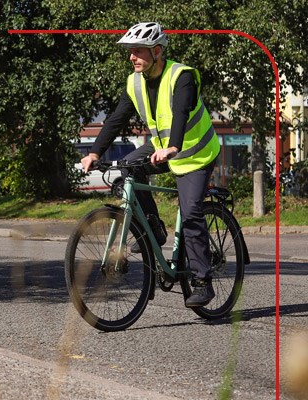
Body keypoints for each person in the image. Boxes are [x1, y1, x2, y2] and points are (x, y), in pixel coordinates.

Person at [80, 22, 221, 307]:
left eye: (138, 51)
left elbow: (181, 112)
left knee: (191, 211)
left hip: (196, 153)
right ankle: (154, 229)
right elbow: (117, 118)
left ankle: (202, 281)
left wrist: (174, 146)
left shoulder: (181, 76)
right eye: (130, 51)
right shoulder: (135, 82)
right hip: (162, 149)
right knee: (128, 168)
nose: (132, 57)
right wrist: (95, 152)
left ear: (157, 51)